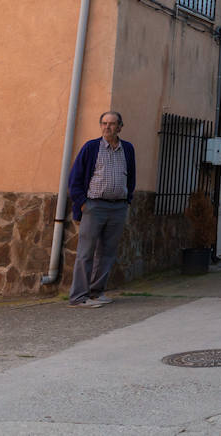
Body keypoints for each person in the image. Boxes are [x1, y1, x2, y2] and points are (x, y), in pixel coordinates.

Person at [67, 110, 136, 307]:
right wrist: (83, 203)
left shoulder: (128, 149)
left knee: (107, 252)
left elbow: (131, 177)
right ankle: (79, 297)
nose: (107, 127)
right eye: (104, 123)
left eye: (112, 124)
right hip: (94, 206)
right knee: (86, 252)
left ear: (120, 127)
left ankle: (97, 293)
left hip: (118, 207)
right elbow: (75, 179)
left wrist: (127, 200)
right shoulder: (91, 148)